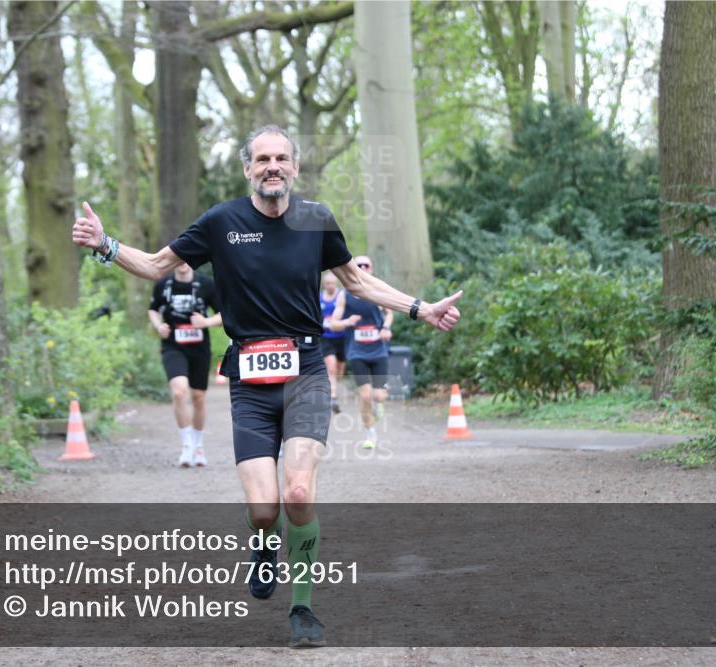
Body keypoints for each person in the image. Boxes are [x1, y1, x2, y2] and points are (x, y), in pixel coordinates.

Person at [71, 125, 462, 648]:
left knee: (298, 492)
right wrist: (105, 245)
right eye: (262, 159)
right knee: (264, 509)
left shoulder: (316, 219)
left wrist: (419, 307)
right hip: (250, 382)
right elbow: (155, 265)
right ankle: (262, 544)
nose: (272, 166)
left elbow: (357, 281)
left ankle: (302, 607)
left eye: (281, 158)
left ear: (295, 167)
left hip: (304, 372)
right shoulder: (221, 222)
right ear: (247, 168)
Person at [148, 263, 222, 467]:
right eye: (178, 259)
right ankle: (187, 446)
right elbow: (153, 310)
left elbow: (223, 314)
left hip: (199, 348)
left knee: (198, 398)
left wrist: (206, 323)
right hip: (173, 346)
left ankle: (198, 446)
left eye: (188, 259)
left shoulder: (206, 284)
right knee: (179, 391)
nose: (183, 263)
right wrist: (158, 326)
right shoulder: (163, 285)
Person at [329, 255, 392, 449]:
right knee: (364, 395)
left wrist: (386, 328)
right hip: (357, 352)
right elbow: (333, 323)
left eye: (366, 266)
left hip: (378, 350)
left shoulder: (377, 291)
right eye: (358, 266)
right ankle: (370, 434)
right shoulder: (344, 295)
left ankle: (378, 402)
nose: (363, 268)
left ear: (371, 269)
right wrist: (348, 322)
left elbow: (389, 312)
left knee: (379, 395)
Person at [319, 271, 358, 413]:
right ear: (324, 284)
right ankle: (333, 397)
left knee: (340, 369)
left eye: (332, 283)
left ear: (336, 284)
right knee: (332, 368)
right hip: (326, 338)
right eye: (328, 283)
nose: (330, 286)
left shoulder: (342, 296)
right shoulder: (319, 298)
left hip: (342, 337)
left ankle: (334, 386)